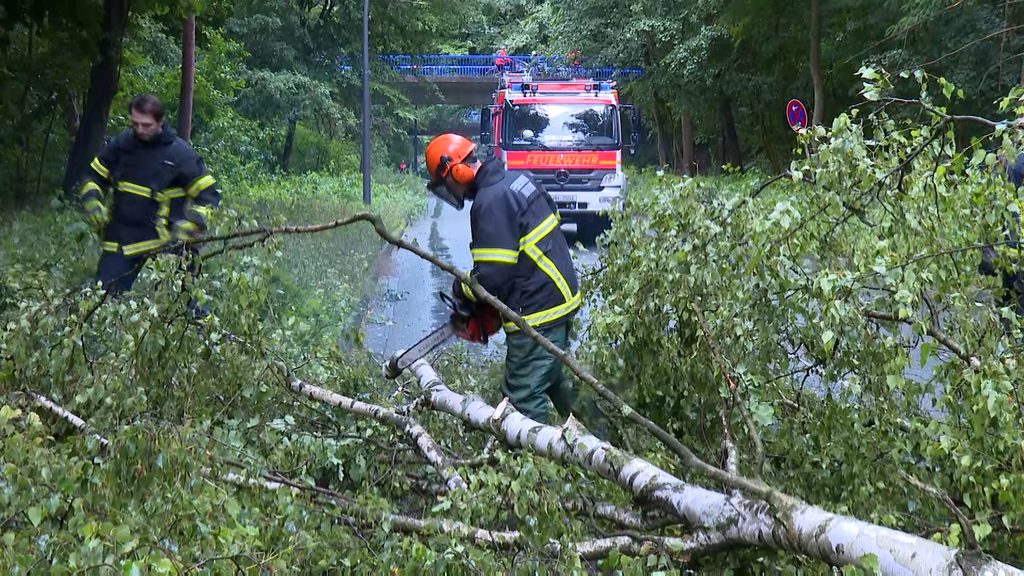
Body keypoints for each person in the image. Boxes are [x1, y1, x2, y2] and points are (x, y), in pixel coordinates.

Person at [424, 133, 581, 424]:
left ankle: (529, 462)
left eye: (447, 185)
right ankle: (608, 446)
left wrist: (462, 288)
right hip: (558, 297)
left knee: (522, 396)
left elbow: (493, 279)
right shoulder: (516, 180)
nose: (452, 192)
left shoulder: (490, 201)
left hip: (537, 311)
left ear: (457, 170)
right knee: (556, 380)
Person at [76, 93, 220, 308]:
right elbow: (92, 177)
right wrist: (92, 202)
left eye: (146, 125)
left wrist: (191, 226)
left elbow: (209, 196)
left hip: (168, 240)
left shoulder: (180, 154)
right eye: (135, 124)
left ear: (160, 122)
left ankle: (206, 336)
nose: (140, 130)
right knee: (101, 302)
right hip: (122, 238)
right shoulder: (122, 144)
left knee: (189, 304)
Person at [980, 150, 1024, 317]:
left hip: (1007, 253)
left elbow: (990, 209)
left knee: (1009, 308)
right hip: (1013, 253)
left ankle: (1009, 339)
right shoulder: (1012, 162)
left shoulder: (1005, 162)